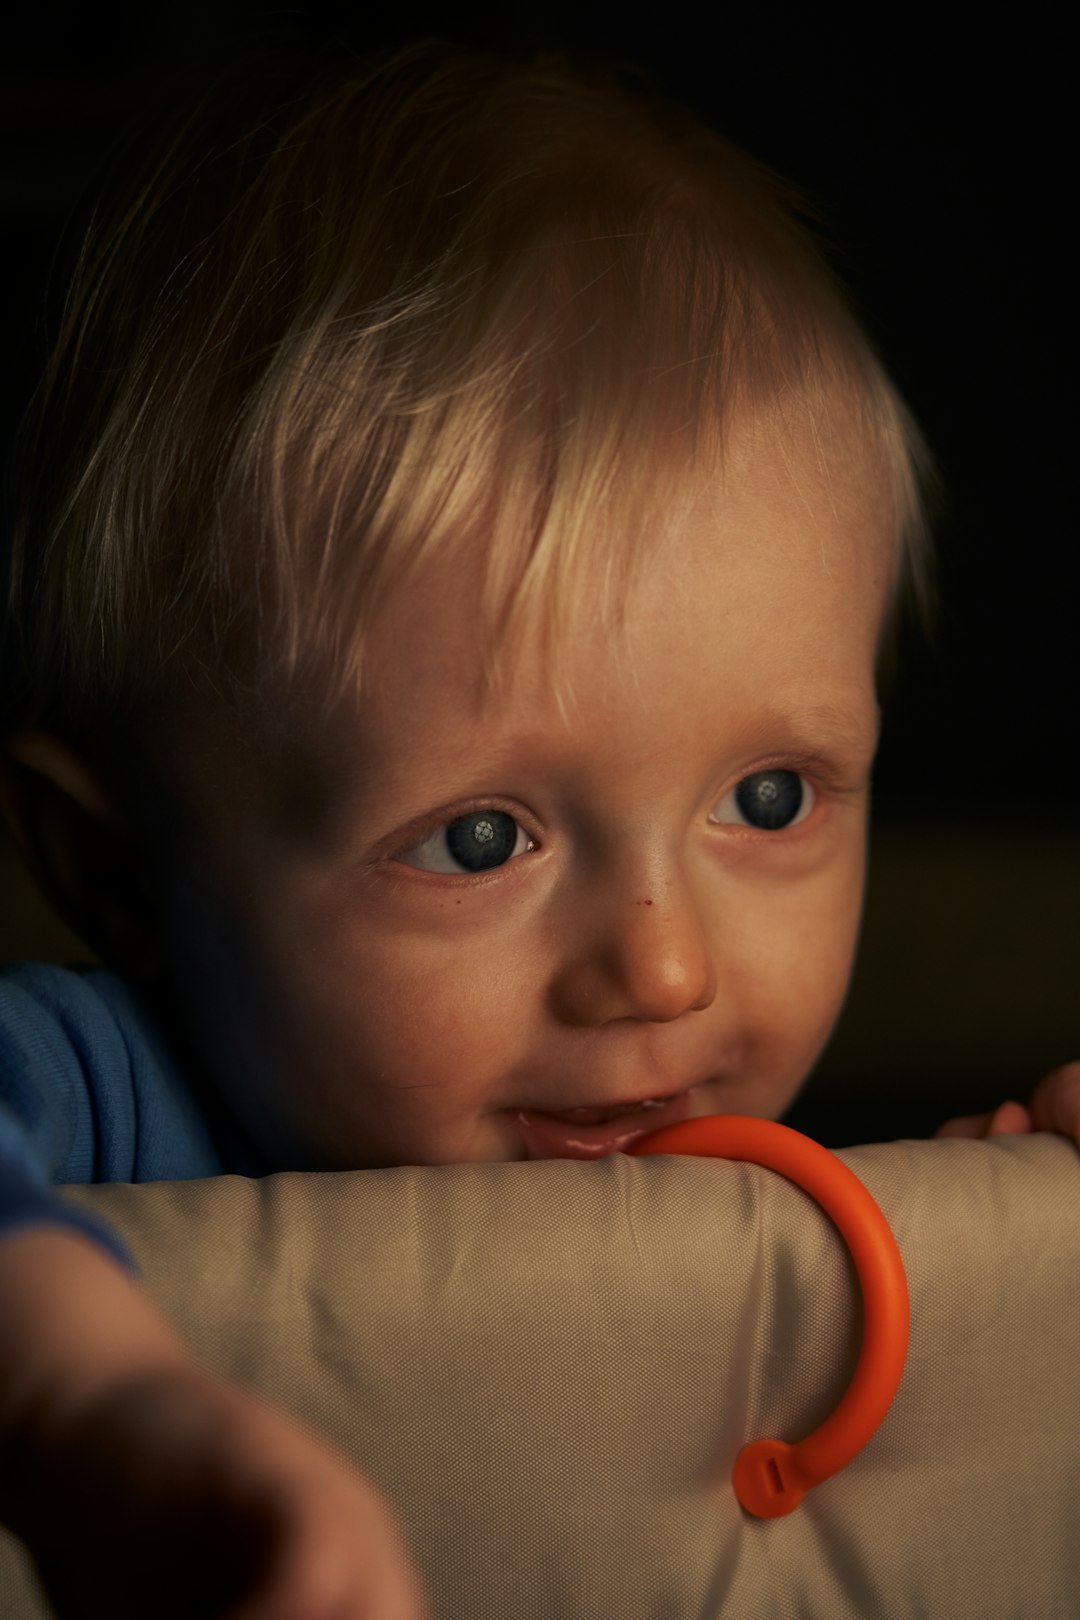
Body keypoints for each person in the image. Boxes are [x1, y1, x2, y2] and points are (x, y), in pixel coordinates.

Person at [1, 37, 1076, 1618]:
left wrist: (1006, 1216)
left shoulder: (733, 1164)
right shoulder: (110, 1098)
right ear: (119, 869)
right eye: (481, 839)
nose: (659, 969)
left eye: (764, 801)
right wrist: (93, 1410)